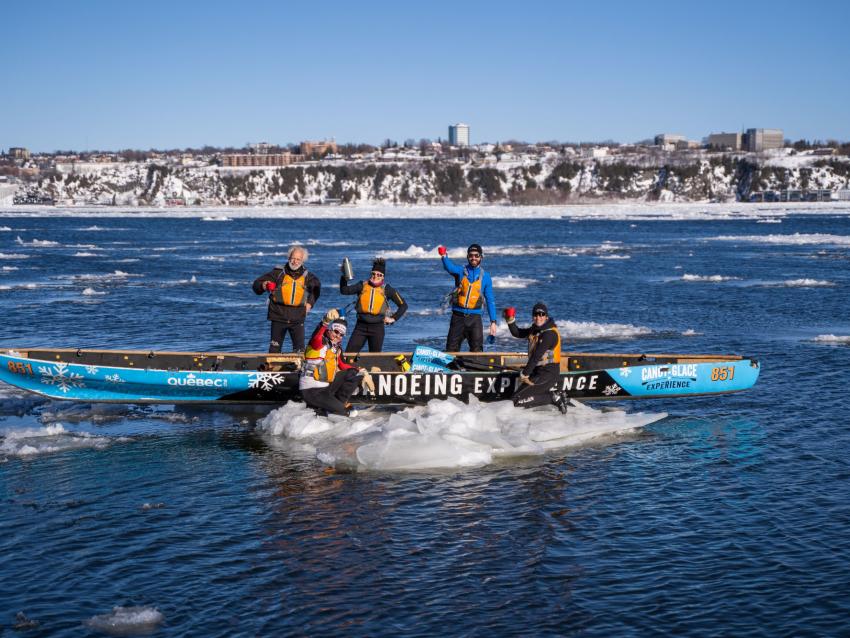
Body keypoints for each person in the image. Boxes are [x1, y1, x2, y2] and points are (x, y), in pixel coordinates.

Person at [300, 309, 374, 416]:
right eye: (336, 332)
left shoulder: (336, 348)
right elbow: (316, 336)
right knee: (344, 412)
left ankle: (339, 402)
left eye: (341, 334)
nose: (338, 336)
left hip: (325, 388)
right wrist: (325, 322)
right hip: (311, 390)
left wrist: (362, 371)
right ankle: (323, 410)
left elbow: (343, 366)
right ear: (329, 330)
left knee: (352, 373)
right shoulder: (318, 343)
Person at [252, 245, 321, 353]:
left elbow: (316, 290)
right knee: (274, 349)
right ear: (289, 258)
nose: (295, 261)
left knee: (299, 351)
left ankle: (298, 369)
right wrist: (264, 285)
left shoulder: (308, 277)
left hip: (297, 318)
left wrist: (310, 304)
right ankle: (272, 368)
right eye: (293, 258)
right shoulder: (278, 273)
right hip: (278, 316)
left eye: (298, 259)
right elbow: (256, 285)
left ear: (302, 261)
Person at [504, 302, 569, 414]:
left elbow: (536, 356)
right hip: (537, 373)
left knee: (516, 401)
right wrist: (510, 319)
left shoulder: (549, 334)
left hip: (548, 374)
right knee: (514, 398)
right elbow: (517, 333)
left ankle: (553, 397)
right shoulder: (535, 330)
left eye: (541, 314)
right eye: (535, 314)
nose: (538, 317)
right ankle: (551, 396)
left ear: (546, 316)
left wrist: (524, 374)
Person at [339, 258, 408, 354]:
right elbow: (344, 290)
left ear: (383, 277)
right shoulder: (362, 285)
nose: (376, 276)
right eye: (373, 274)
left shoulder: (387, 289)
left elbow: (403, 305)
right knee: (349, 355)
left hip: (377, 328)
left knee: (375, 357)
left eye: (379, 275)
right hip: (360, 327)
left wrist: (393, 318)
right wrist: (344, 276)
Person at [437, 243, 497, 352]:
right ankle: (451, 368)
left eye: (476, 255)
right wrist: (444, 255)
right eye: (471, 255)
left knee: (477, 350)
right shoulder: (460, 271)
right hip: (458, 317)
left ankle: (474, 368)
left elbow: (490, 300)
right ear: (467, 257)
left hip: (475, 319)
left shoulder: (486, 277)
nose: (473, 258)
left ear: (481, 257)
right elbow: (449, 267)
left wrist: (493, 322)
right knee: (451, 349)